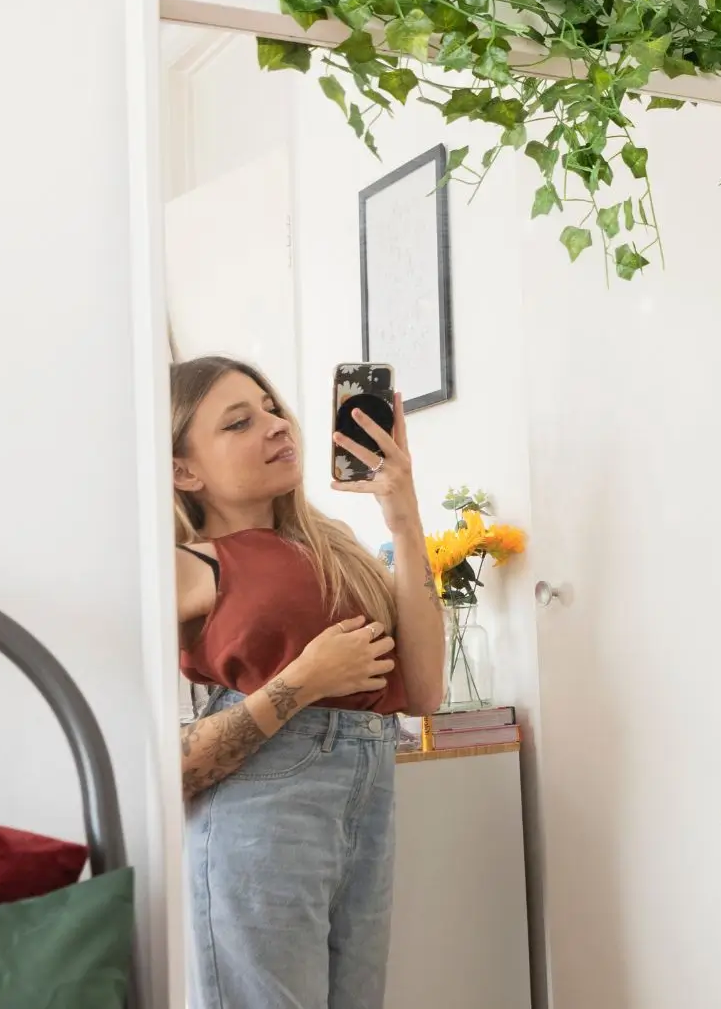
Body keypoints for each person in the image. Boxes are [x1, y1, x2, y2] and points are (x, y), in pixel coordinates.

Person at [170, 355, 449, 1009]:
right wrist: (305, 679)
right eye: (239, 422)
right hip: (261, 817)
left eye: (271, 408)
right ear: (185, 470)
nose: (273, 425)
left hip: (366, 802)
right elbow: (166, 767)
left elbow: (426, 690)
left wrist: (403, 515)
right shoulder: (187, 566)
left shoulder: (337, 546)